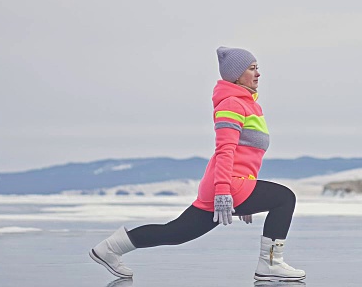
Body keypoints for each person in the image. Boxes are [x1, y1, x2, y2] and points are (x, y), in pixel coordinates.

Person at [89, 46, 306, 282]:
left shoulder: (248, 105)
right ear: (236, 75)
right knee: (285, 198)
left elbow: (246, 155)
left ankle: (109, 248)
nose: (258, 74)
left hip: (231, 184)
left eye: (257, 68)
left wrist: (247, 191)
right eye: (252, 69)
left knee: (176, 232)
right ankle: (270, 263)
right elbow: (225, 151)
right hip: (227, 185)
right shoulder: (232, 104)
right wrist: (226, 191)